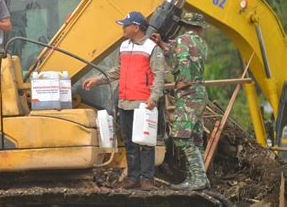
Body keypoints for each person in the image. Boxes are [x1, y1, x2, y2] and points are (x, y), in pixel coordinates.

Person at [82, 11, 165, 190]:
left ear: (136, 27)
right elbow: (118, 70)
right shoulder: (124, 46)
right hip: (125, 101)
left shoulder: (152, 48)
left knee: (146, 142)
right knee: (129, 141)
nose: (123, 28)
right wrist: (98, 79)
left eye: (126, 25)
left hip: (144, 103)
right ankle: (134, 178)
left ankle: (147, 179)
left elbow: (159, 75)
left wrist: (153, 97)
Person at [151, 11, 210, 191]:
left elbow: (183, 59)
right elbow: (176, 52)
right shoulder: (201, 43)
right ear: (199, 28)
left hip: (188, 94)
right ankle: (198, 179)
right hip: (199, 92)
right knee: (195, 137)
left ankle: (199, 178)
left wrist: (182, 82)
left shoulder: (183, 39)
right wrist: (161, 43)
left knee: (180, 135)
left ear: (185, 25)